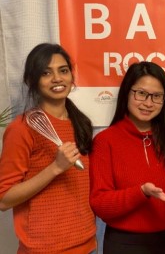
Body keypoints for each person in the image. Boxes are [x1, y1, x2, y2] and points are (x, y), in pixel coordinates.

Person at [89, 61, 165, 254]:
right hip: (124, 244)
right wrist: (141, 192)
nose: (148, 103)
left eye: (156, 96)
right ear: (127, 93)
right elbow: (100, 204)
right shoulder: (105, 141)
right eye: (141, 93)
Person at [0, 43, 96, 253]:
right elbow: (4, 199)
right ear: (31, 81)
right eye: (46, 73)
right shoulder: (21, 128)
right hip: (44, 248)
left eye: (63, 70)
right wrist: (55, 168)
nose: (57, 79)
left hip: (87, 244)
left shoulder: (81, 123)